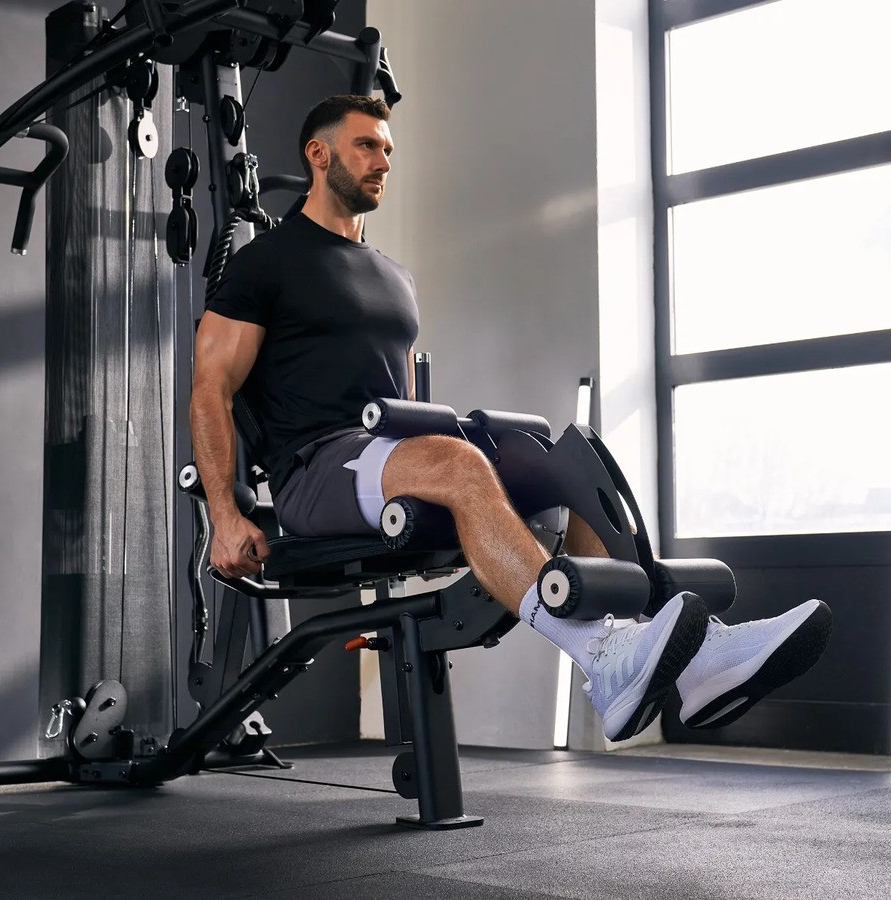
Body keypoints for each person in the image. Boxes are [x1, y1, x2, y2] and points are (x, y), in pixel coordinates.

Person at [190, 95, 832, 743]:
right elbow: (211, 388)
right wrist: (225, 516)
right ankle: (602, 659)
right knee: (458, 461)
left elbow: (405, 402)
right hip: (316, 472)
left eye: (387, 148)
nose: (383, 160)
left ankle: (695, 659)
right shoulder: (265, 263)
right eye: (366, 146)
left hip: (389, 456)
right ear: (318, 153)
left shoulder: (393, 276)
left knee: (569, 466)